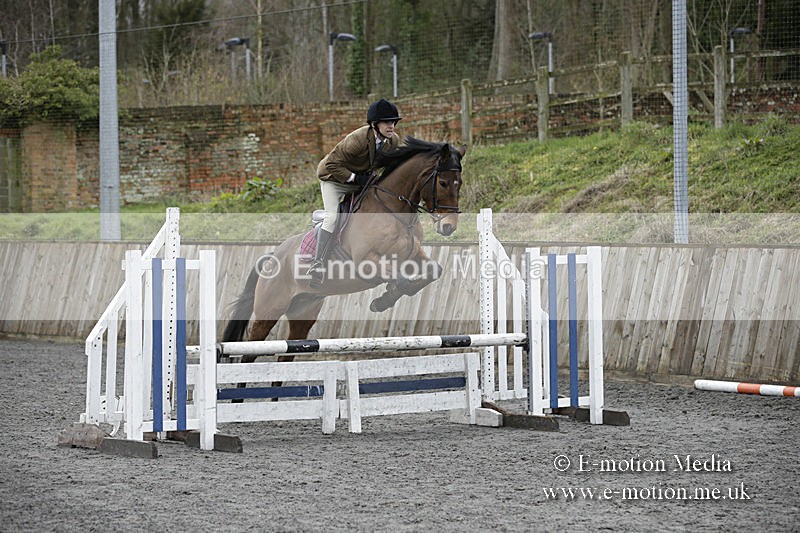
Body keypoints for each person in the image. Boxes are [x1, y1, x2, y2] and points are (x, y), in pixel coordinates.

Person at [308, 98, 403, 288]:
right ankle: (317, 263)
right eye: (387, 122)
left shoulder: (393, 141)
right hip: (334, 179)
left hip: (361, 180)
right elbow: (330, 165)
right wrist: (354, 178)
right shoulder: (357, 139)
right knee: (333, 218)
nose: (391, 126)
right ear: (375, 125)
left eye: (393, 122)